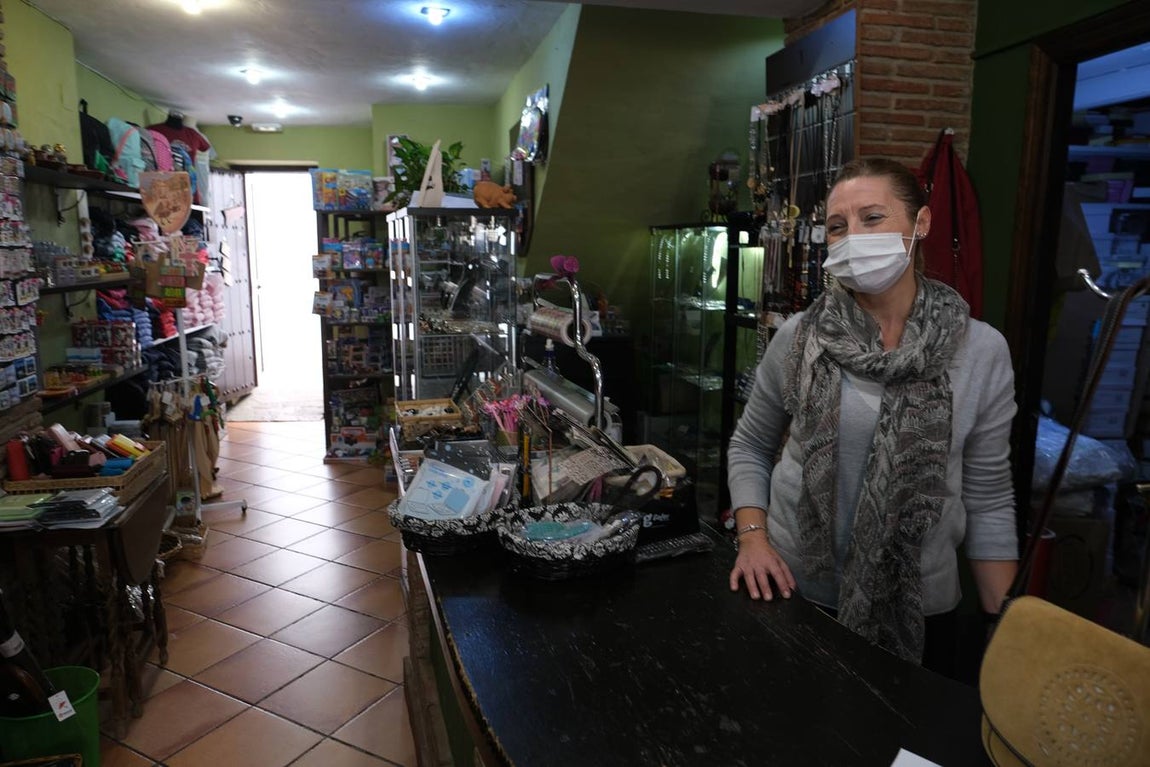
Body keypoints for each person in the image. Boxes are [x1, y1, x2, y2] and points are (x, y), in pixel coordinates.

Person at [726, 158, 1019, 670]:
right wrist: (752, 539)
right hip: (792, 587)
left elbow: (988, 494)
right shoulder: (800, 336)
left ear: (921, 223)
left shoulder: (981, 350)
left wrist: (1007, 622)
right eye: (838, 226)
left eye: (873, 218)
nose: (853, 237)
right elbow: (750, 444)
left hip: (919, 608)